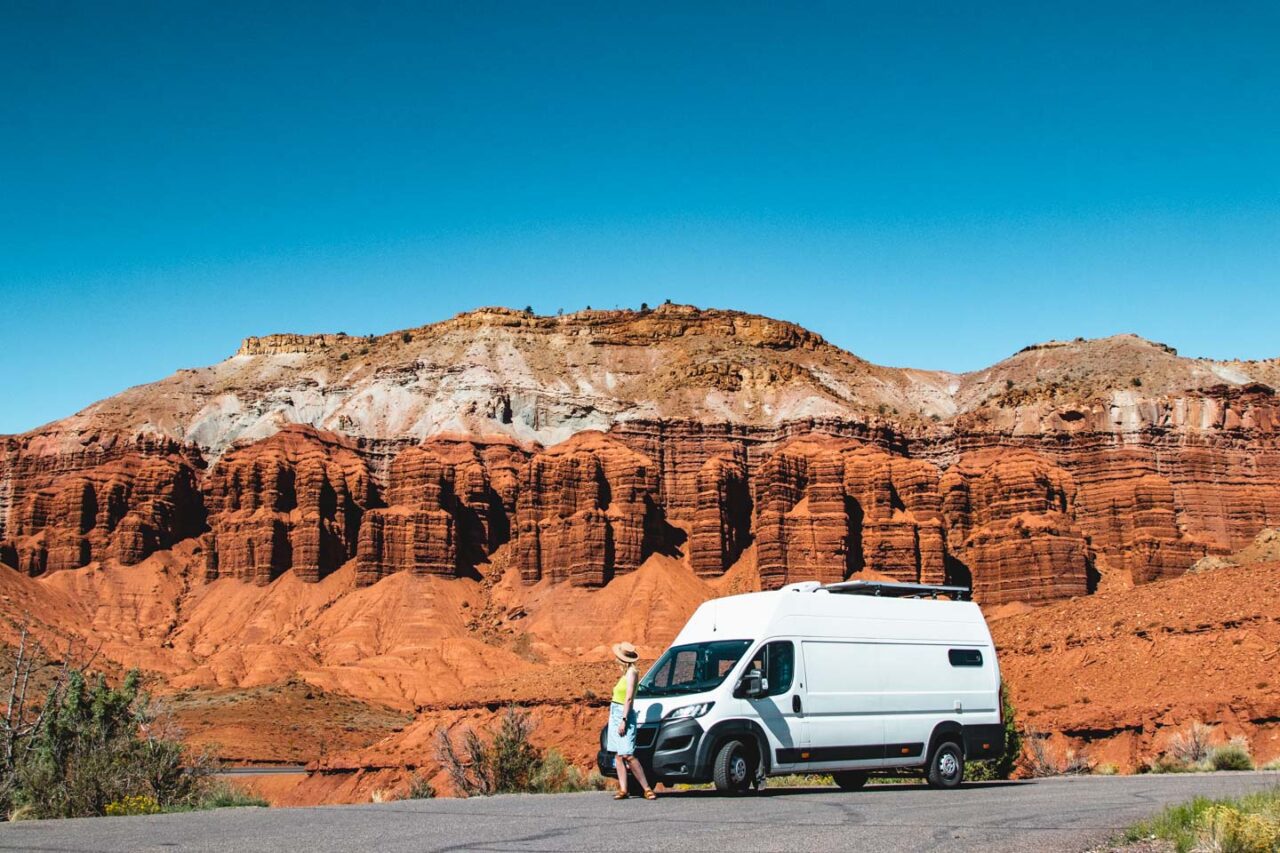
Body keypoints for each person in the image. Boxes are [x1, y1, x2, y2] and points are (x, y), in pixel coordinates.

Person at [608, 641, 656, 800]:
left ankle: (647, 788)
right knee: (618, 755)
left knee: (628, 754)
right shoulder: (626, 672)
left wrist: (624, 719)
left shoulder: (632, 673)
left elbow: (628, 698)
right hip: (615, 712)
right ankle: (623, 789)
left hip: (623, 713)